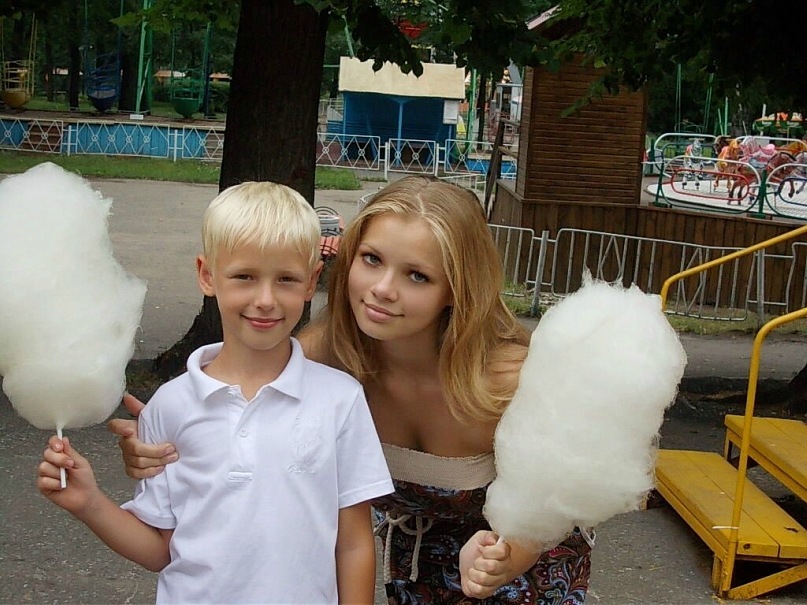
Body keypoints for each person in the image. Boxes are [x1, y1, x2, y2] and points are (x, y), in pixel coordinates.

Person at [109, 176, 593, 603]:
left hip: (522, 573)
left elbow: (567, 492)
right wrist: (160, 449)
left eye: (417, 275)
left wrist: (511, 551)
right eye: (372, 259)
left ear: (456, 289)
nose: (383, 288)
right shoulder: (319, 358)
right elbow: (251, 439)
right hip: (414, 570)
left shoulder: (511, 378)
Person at [38, 182, 394, 604]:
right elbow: (159, 550)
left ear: (311, 281)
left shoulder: (340, 400)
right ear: (207, 275)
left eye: (286, 279)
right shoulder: (169, 407)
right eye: (244, 276)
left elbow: (353, 545)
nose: (266, 299)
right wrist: (89, 503)